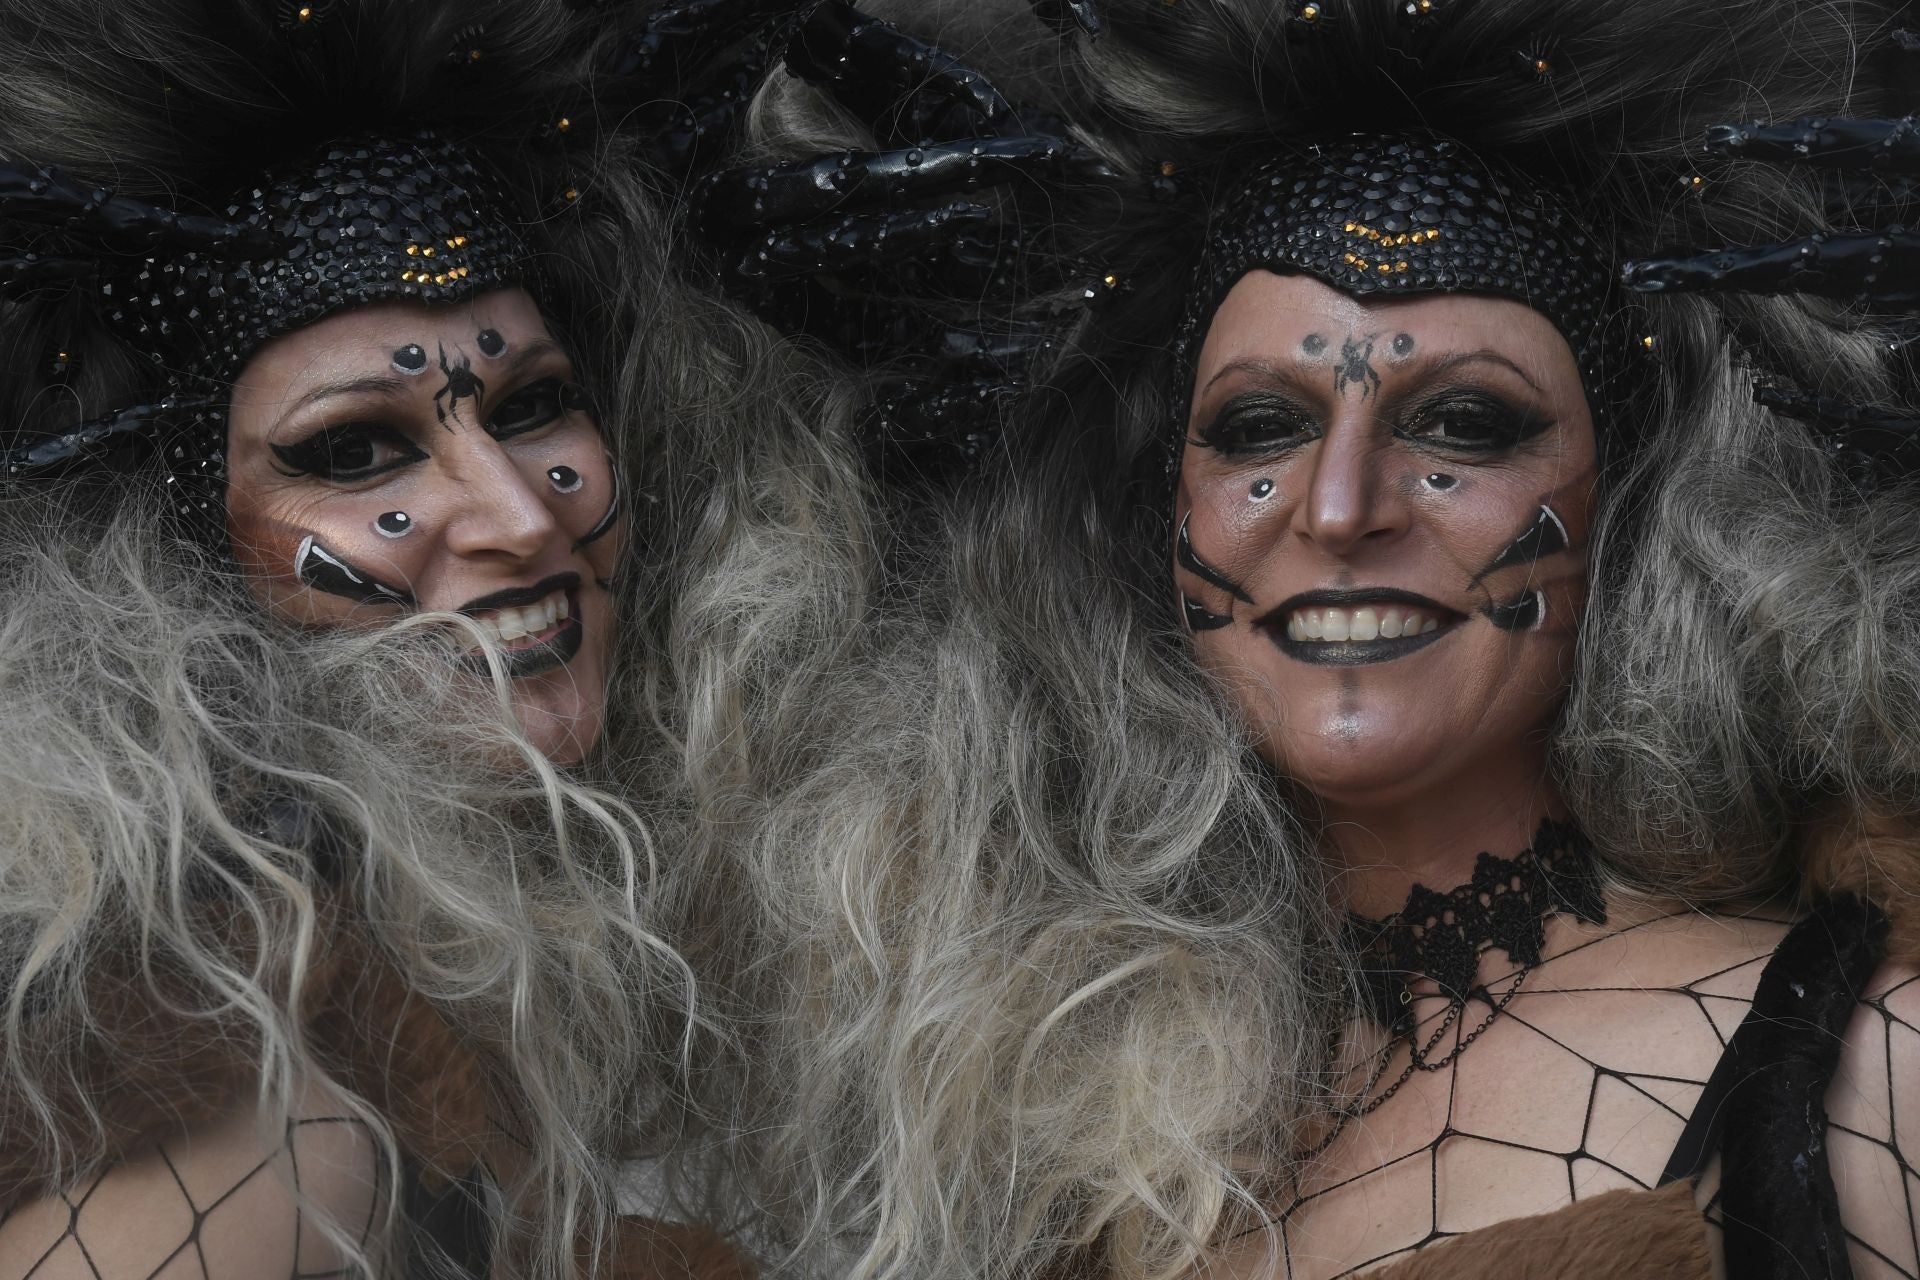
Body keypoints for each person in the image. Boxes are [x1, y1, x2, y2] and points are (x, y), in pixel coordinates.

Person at [701, 0, 1920, 1275]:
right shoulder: (1037, 1141)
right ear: (1157, 509)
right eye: (1258, 427)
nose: (1339, 509)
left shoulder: (1856, 1057)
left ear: (1634, 496)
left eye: (1461, 422)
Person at [0, 0, 869, 1275]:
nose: (520, 516)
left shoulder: (589, 1007)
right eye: (353, 448)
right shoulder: (236, 1116)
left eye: (537, 405)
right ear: (166, 566)